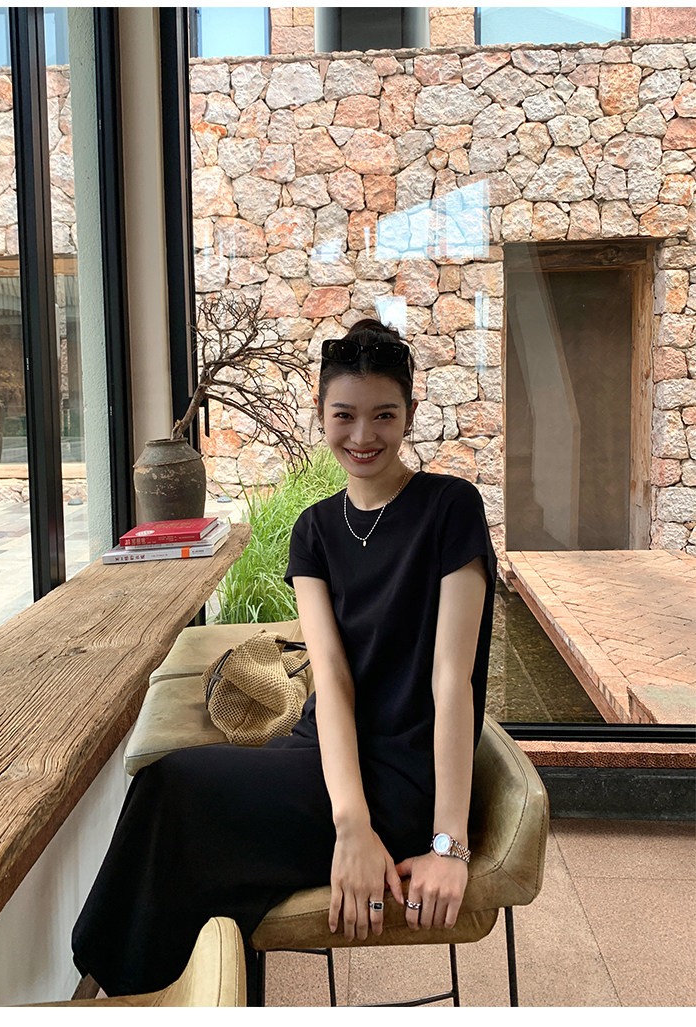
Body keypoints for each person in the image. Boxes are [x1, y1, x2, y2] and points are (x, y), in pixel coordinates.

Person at [71, 317, 497, 1003]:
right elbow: (332, 680)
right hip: (325, 754)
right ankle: (166, 990)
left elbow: (454, 681)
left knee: (175, 791)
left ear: (411, 414)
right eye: (345, 415)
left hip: (400, 778)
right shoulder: (315, 530)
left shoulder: (451, 509)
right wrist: (347, 823)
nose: (363, 436)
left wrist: (448, 843)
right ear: (321, 414)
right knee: (183, 812)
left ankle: (118, 992)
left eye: (384, 415)